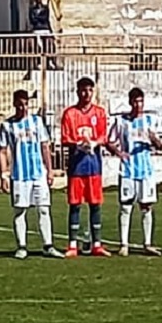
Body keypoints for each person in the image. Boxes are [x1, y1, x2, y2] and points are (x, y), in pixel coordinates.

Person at [0, 89, 60, 259]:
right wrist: (4, 175)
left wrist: (50, 170)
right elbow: (2, 151)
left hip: (38, 174)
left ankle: (48, 245)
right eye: (20, 104)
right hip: (19, 176)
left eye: (26, 104)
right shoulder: (7, 125)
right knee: (20, 211)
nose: (23, 107)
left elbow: (45, 146)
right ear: (14, 104)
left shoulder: (37, 122)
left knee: (44, 209)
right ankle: (22, 247)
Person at [107, 87, 162, 256]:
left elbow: (159, 146)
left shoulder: (149, 121)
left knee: (146, 206)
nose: (139, 105)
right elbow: (109, 142)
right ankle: (124, 244)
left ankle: (147, 244)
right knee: (126, 207)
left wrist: (153, 139)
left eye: (141, 101)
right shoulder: (121, 122)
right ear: (130, 102)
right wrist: (119, 153)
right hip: (128, 170)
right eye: (136, 101)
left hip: (145, 171)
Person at [61, 77, 110, 257]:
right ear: (77, 91)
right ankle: (72, 244)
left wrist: (95, 143)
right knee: (75, 205)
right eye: (83, 90)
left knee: (95, 204)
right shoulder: (70, 114)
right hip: (76, 167)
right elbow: (65, 138)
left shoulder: (100, 113)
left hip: (94, 167)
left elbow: (104, 136)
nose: (86, 94)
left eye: (89, 90)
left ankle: (97, 243)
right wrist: (78, 144)